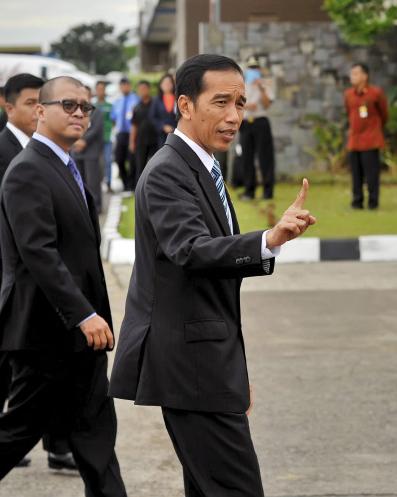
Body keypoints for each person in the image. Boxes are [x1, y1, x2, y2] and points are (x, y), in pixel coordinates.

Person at [108, 54, 316, 496]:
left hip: (207, 363)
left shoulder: (203, 166)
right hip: (191, 368)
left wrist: (234, 370)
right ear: (185, 105)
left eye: (240, 103)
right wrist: (268, 239)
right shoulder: (169, 171)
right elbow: (192, 250)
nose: (233, 116)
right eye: (220, 102)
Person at [0, 76, 127, 497]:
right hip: (46, 335)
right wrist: (84, 314)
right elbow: (39, 254)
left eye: (85, 107)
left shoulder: (64, 165)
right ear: (40, 111)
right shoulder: (27, 170)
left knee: (95, 437)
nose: (80, 113)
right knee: (13, 434)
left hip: (79, 338)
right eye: (69, 105)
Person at [0, 73, 77, 471]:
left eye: (41, 102)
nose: (37, 110)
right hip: (5, 283)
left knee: (45, 368)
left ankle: (58, 446)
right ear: (10, 108)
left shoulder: (48, 150)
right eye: (30, 103)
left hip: (42, 283)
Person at [344, 62, 388, 210]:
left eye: (356, 73)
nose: (352, 76)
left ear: (365, 76)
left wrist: (375, 129)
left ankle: (373, 203)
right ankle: (357, 202)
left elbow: (384, 114)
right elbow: (348, 114)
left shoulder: (375, 93)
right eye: (351, 73)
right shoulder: (348, 94)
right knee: (356, 175)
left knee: (371, 175)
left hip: (371, 140)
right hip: (354, 140)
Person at [239, 56, 276, 201]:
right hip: (246, 121)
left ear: (259, 69)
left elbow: (267, 103)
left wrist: (261, 87)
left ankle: (268, 190)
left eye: (255, 68)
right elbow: (237, 102)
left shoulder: (267, 83)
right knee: (246, 157)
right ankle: (249, 190)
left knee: (265, 156)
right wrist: (247, 105)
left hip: (260, 121)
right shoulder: (241, 85)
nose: (253, 71)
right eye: (250, 68)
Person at [73, 85, 104, 213]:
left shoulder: (96, 112)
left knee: (93, 181)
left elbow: (96, 129)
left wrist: (84, 141)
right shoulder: (74, 112)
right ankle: (84, 207)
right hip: (77, 151)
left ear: (90, 96)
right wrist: (76, 141)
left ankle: (96, 207)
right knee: (80, 181)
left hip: (91, 151)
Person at [110, 76, 140, 191]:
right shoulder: (117, 102)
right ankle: (125, 183)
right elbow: (113, 118)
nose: (124, 88)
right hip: (121, 134)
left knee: (132, 160)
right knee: (119, 159)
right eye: (122, 86)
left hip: (132, 133)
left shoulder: (136, 100)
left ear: (129, 86)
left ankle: (132, 185)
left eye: (126, 85)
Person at [129, 80, 159, 184]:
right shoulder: (136, 107)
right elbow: (134, 126)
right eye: (140, 89)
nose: (142, 91)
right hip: (141, 141)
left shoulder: (155, 104)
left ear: (149, 89)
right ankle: (139, 190)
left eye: (144, 89)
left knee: (156, 166)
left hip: (155, 140)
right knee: (140, 167)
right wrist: (132, 142)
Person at [93, 81, 115, 191]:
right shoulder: (92, 105)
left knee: (107, 161)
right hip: (95, 138)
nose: (101, 91)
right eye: (99, 89)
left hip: (107, 136)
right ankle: (96, 183)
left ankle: (109, 183)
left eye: (103, 88)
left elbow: (114, 121)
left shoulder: (110, 105)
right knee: (96, 162)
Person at [149, 73, 177, 149]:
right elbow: (153, 117)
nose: (167, 85)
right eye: (165, 83)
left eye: (169, 83)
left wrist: (174, 128)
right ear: (160, 85)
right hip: (162, 135)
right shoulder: (156, 100)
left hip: (177, 133)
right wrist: (162, 126)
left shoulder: (178, 99)